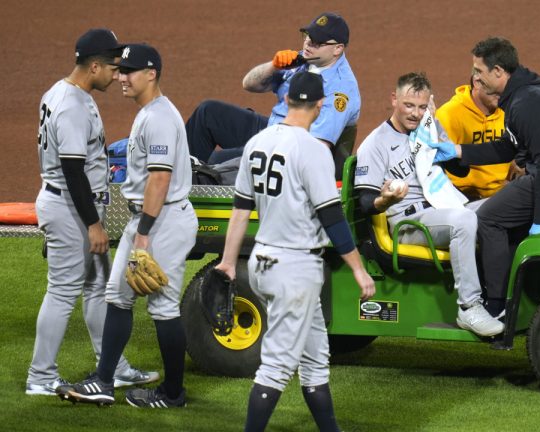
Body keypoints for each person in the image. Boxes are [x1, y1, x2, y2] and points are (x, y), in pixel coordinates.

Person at [214, 71, 375, 432]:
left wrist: (227, 261)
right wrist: (359, 270)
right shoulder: (312, 149)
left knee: (316, 359)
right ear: (320, 106)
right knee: (276, 366)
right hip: (295, 269)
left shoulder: (257, 142)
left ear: (286, 100)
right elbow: (331, 216)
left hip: (262, 263)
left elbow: (240, 209)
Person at [58, 43, 198, 408]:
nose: (121, 77)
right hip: (152, 218)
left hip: (162, 220)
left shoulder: (160, 118)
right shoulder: (149, 112)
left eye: (129, 71)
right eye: (120, 70)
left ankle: (173, 393)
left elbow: (160, 180)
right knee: (117, 297)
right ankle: (104, 380)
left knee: (163, 307)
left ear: (151, 74)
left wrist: (144, 236)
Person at [429, 37, 540, 318]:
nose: (475, 77)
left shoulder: (525, 104)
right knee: (506, 219)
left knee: (488, 218)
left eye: (479, 71)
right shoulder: (523, 94)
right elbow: (506, 148)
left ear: (498, 72)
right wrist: (458, 150)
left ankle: (496, 305)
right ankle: (512, 294)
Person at [27, 28, 158, 397]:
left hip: (69, 205)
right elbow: (72, 171)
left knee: (98, 289)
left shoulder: (64, 92)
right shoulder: (71, 105)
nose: (118, 74)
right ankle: (40, 377)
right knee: (63, 292)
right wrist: (92, 225)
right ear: (94, 65)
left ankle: (112, 368)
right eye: (113, 66)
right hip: (70, 206)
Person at [354, 72, 504, 337]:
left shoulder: (428, 128)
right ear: (394, 100)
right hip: (408, 224)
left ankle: (502, 296)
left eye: (422, 107)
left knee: (502, 206)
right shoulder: (375, 144)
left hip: (442, 209)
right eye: (409, 105)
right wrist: (385, 200)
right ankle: (469, 307)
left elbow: (459, 169)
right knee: (465, 221)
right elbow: (364, 203)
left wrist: (438, 135)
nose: (415, 113)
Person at [185, 12, 360, 179]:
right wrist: (274, 66)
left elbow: (313, 148)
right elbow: (249, 84)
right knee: (208, 113)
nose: (308, 43)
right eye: (308, 36)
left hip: (290, 152)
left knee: (218, 161)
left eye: (317, 42)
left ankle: (192, 188)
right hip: (273, 129)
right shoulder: (302, 59)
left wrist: (264, 148)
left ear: (337, 49)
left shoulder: (340, 90)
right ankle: (181, 177)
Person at [435, 75, 523, 200]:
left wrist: (517, 173)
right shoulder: (449, 114)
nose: (502, 92)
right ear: (477, 82)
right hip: (460, 196)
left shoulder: (509, 112)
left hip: (499, 194)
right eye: (496, 87)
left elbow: (512, 160)